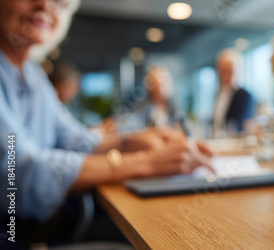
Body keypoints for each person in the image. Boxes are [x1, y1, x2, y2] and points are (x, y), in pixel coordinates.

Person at [0, 0, 213, 247]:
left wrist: (130, 140)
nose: (46, 4)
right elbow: (18, 172)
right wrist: (146, 162)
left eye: (60, 1)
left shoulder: (33, 74)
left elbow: (74, 139)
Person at [212, 48, 254, 134]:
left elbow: (240, 125)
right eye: (223, 71)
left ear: (237, 71)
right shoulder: (219, 94)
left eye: (230, 71)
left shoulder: (244, 96)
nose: (226, 76)